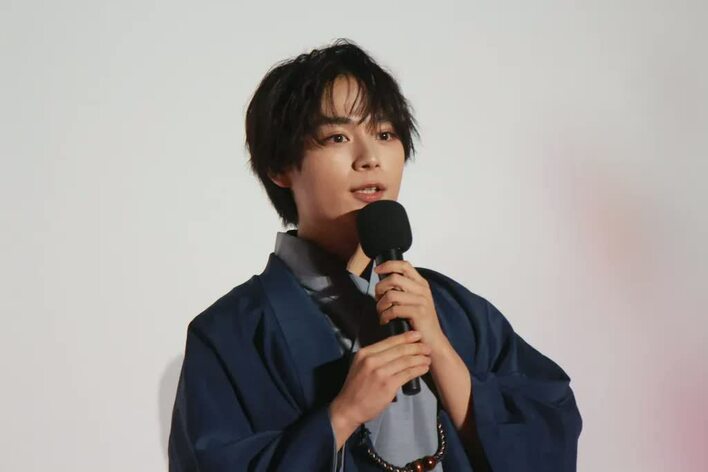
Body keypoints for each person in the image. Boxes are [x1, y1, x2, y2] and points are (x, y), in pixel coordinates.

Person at [168, 38, 582, 472]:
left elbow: (551, 428)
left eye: (384, 134)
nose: (370, 158)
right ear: (280, 167)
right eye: (337, 137)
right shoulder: (230, 333)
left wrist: (442, 354)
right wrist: (341, 416)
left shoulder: (453, 310)